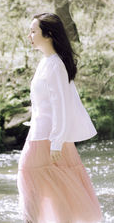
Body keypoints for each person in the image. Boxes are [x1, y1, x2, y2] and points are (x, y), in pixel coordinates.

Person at [17, 13, 103, 223]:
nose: (29, 35)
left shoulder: (55, 65)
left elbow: (61, 106)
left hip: (49, 138)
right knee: (52, 186)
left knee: (33, 177)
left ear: (48, 35)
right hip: (40, 134)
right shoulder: (46, 62)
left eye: (33, 31)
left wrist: (57, 141)